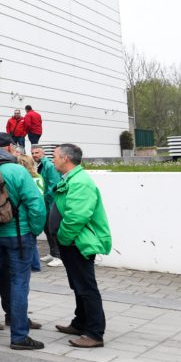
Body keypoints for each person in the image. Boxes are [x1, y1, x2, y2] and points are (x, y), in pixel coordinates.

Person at [0, 132, 47, 350]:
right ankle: (19, 336)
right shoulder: (17, 170)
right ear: (8, 148)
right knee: (18, 283)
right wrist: (34, 230)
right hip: (18, 236)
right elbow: (36, 205)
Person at [52, 143, 111, 348]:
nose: (52, 159)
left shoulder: (80, 182)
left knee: (86, 287)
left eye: (55, 156)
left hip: (77, 241)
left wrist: (63, 237)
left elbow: (76, 217)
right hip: (72, 241)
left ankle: (94, 333)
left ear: (66, 158)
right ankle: (80, 323)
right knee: (78, 285)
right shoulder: (72, 178)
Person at [32, 146, 63, 266]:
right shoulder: (40, 165)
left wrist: (45, 199)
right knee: (47, 229)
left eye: (37, 152)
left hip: (51, 202)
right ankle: (53, 253)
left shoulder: (49, 166)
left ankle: (59, 256)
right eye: (33, 153)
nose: (35, 155)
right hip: (46, 202)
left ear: (43, 153)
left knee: (52, 229)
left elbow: (54, 184)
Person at [17, 154, 45, 272]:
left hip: (25, 211)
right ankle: (35, 265)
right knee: (32, 240)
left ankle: (31, 264)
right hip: (38, 210)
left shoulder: (23, 178)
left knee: (27, 240)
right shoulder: (39, 177)